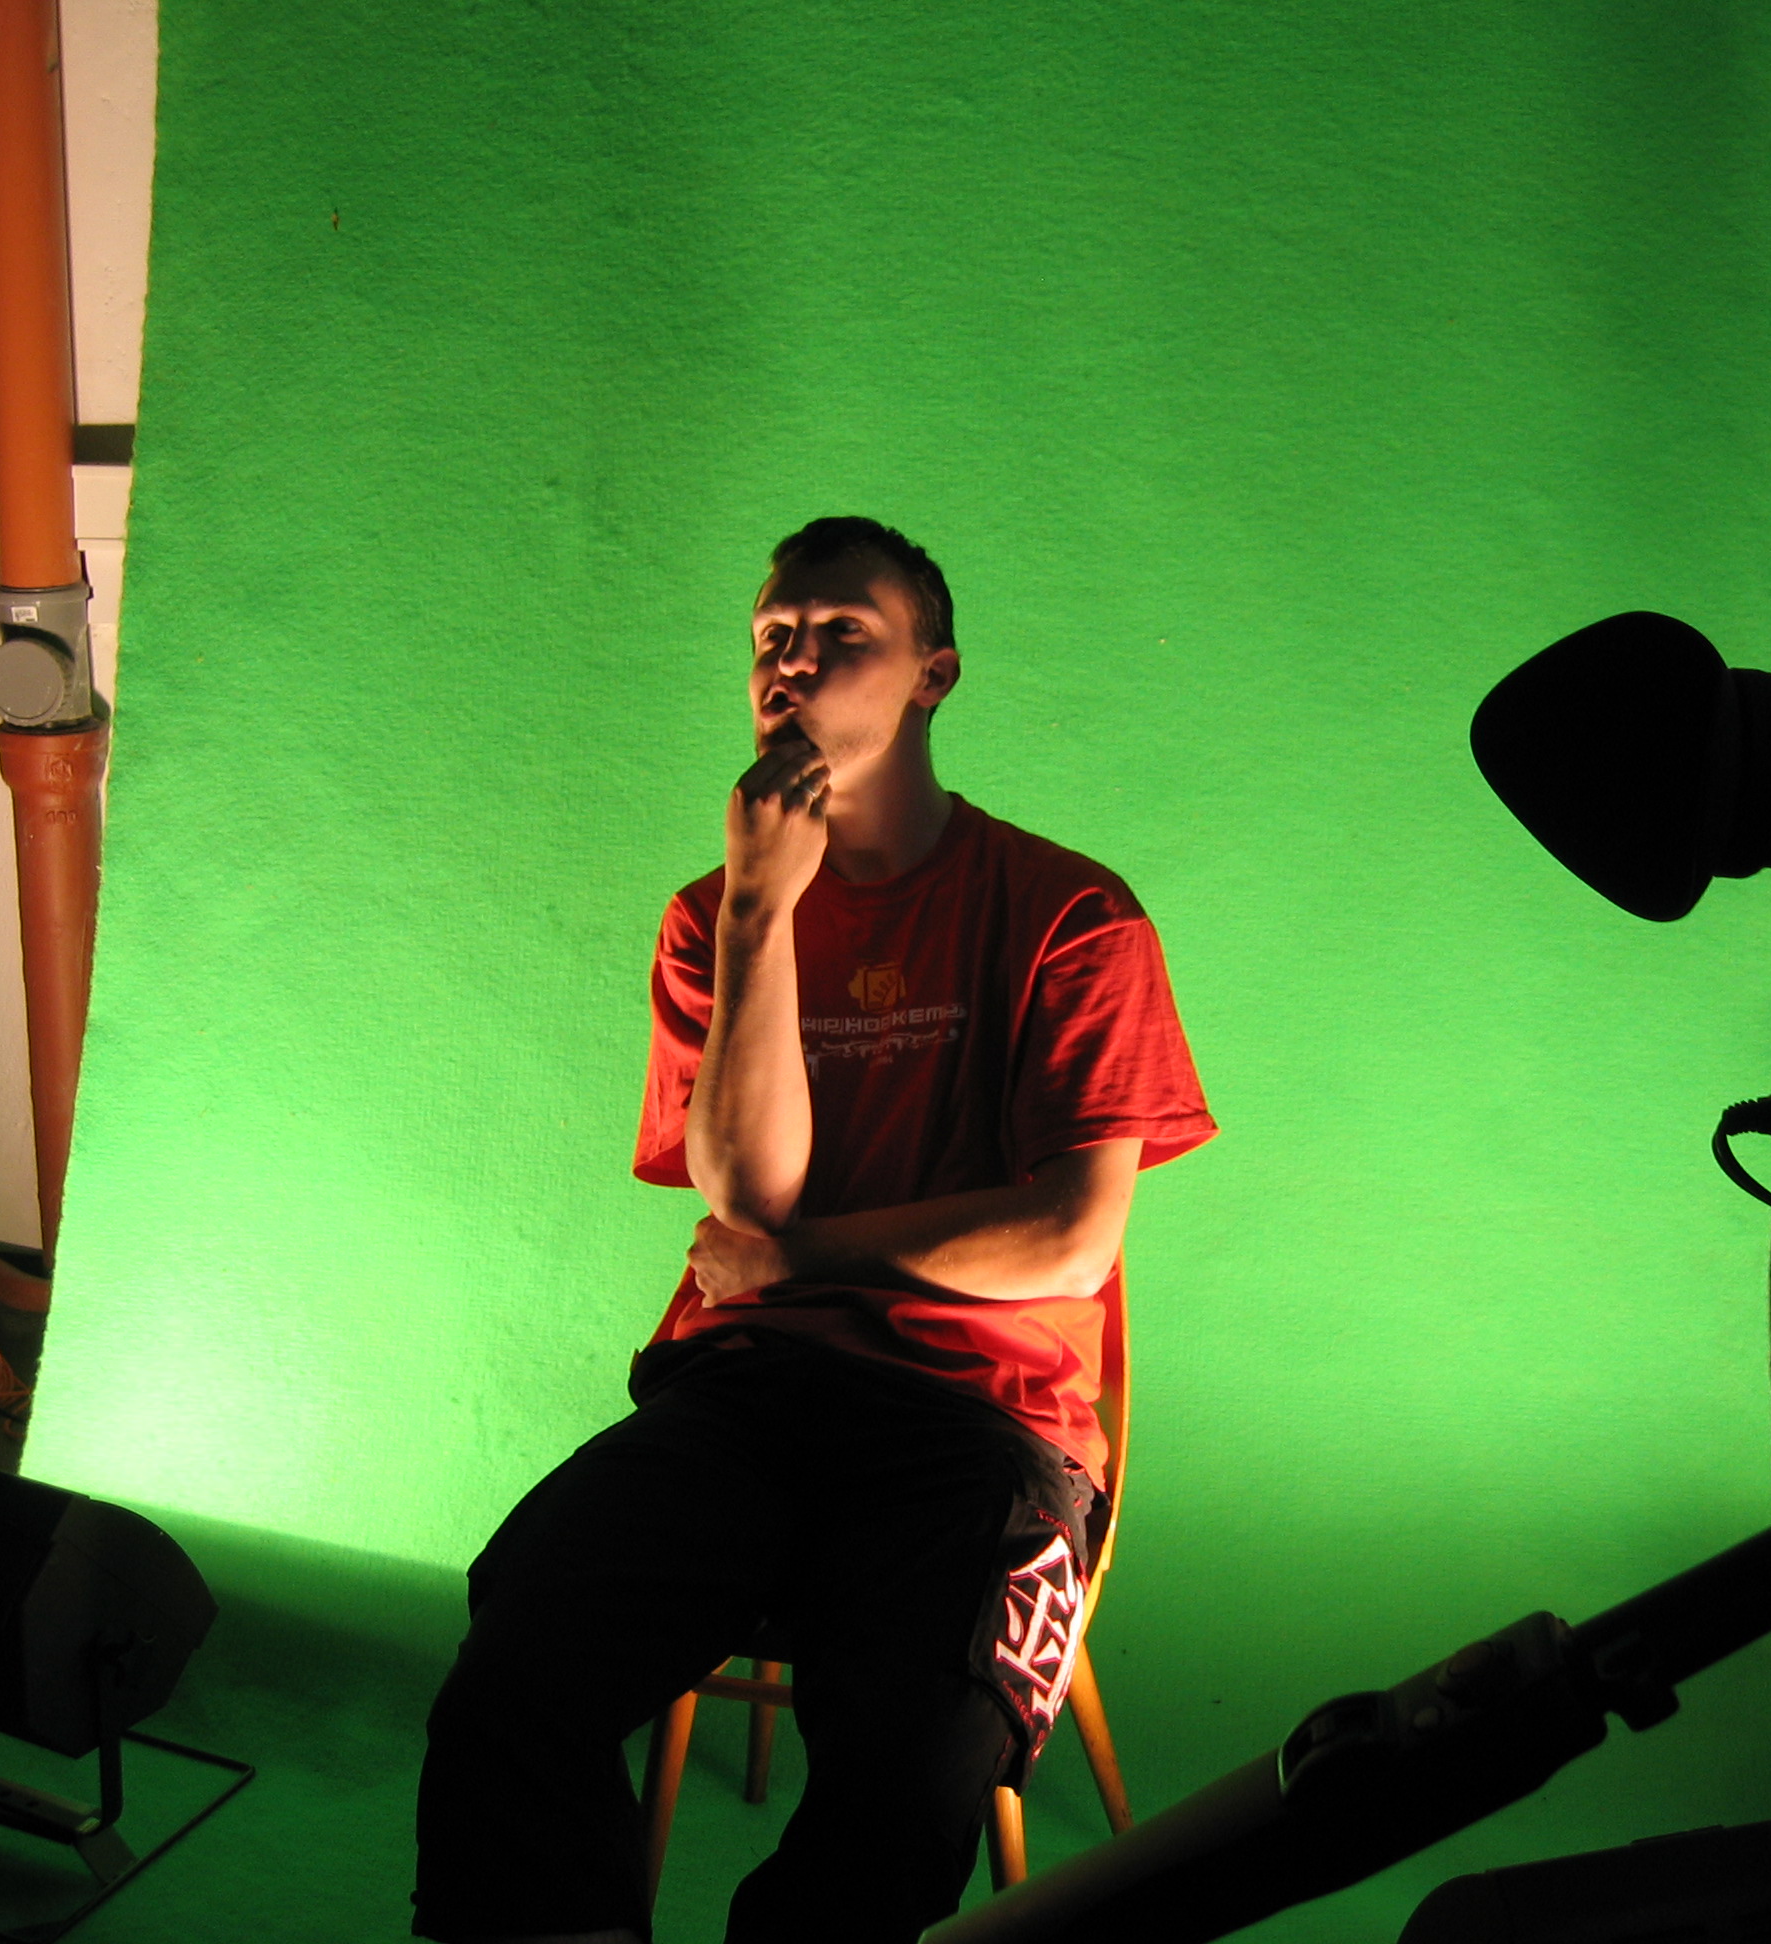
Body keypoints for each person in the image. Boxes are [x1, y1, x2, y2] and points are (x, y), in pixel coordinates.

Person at [413, 516, 1215, 1944]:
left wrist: (804, 1263)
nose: (793, 661)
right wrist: (758, 910)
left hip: (985, 1423)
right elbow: (750, 1194)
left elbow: (1068, 1242)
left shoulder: (1072, 916)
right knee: (514, 1666)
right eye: (773, 639)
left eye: (844, 634)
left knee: (909, 1786)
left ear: (935, 674)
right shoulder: (709, 917)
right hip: (750, 1398)